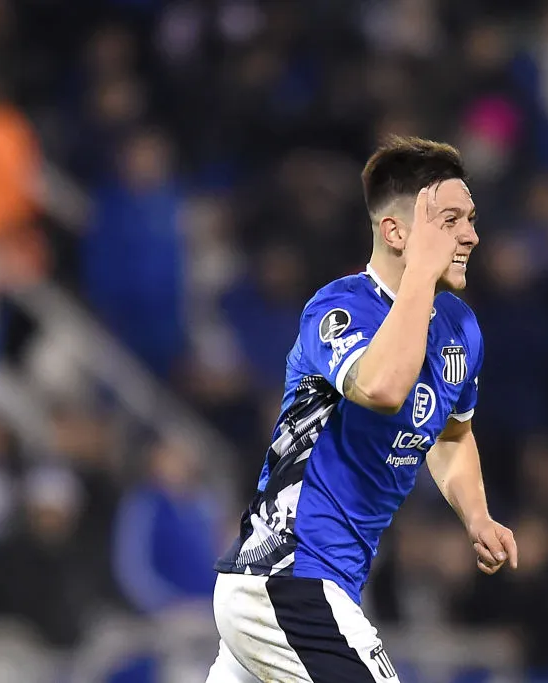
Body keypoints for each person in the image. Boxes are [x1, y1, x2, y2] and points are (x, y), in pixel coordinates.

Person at [206, 136, 518, 683]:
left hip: (318, 588)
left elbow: (451, 435)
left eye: (471, 219)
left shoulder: (460, 330)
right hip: (287, 582)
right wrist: (421, 273)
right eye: (449, 220)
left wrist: (476, 515)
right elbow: (382, 388)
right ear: (397, 232)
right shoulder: (337, 308)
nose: (470, 235)